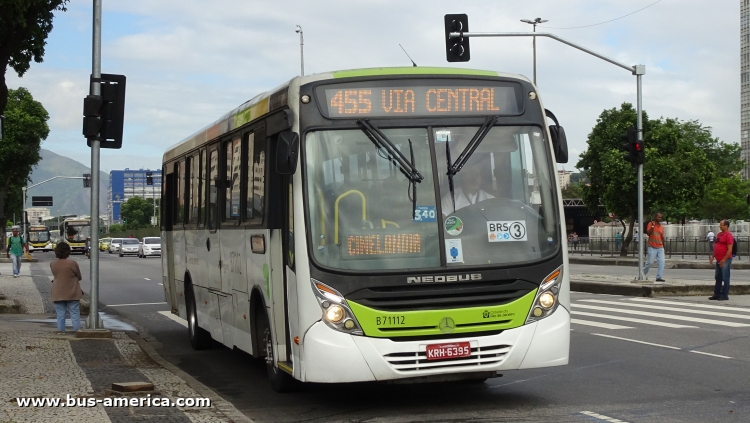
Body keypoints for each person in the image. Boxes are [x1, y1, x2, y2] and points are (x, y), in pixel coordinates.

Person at [50, 242, 83, 333]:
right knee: (75, 314)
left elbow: (56, 275)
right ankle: (77, 332)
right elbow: (79, 277)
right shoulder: (72, 263)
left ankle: (61, 332)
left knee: (60, 315)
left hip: (57, 292)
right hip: (72, 292)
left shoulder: (53, 264)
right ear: (68, 252)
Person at [709, 220, 734, 301]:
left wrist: (724, 260)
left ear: (726, 226)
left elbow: (730, 250)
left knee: (725, 277)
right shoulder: (719, 234)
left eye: (721, 225)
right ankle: (717, 294)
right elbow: (716, 245)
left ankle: (724, 295)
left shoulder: (729, 236)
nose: (720, 226)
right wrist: (713, 256)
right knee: (718, 277)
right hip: (718, 259)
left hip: (725, 260)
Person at [643, 212, 666, 282]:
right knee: (649, 262)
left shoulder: (661, 227)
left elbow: (662, 238)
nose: (659, 218)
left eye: (660, 217)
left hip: (660, 247)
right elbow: (648, 233)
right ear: (655, 217)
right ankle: (642, 274)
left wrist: (664, 247)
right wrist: (653, 226)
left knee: (662, 262)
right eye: (658, 217)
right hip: (652, 247)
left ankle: (659, 277)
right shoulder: (650, 224)